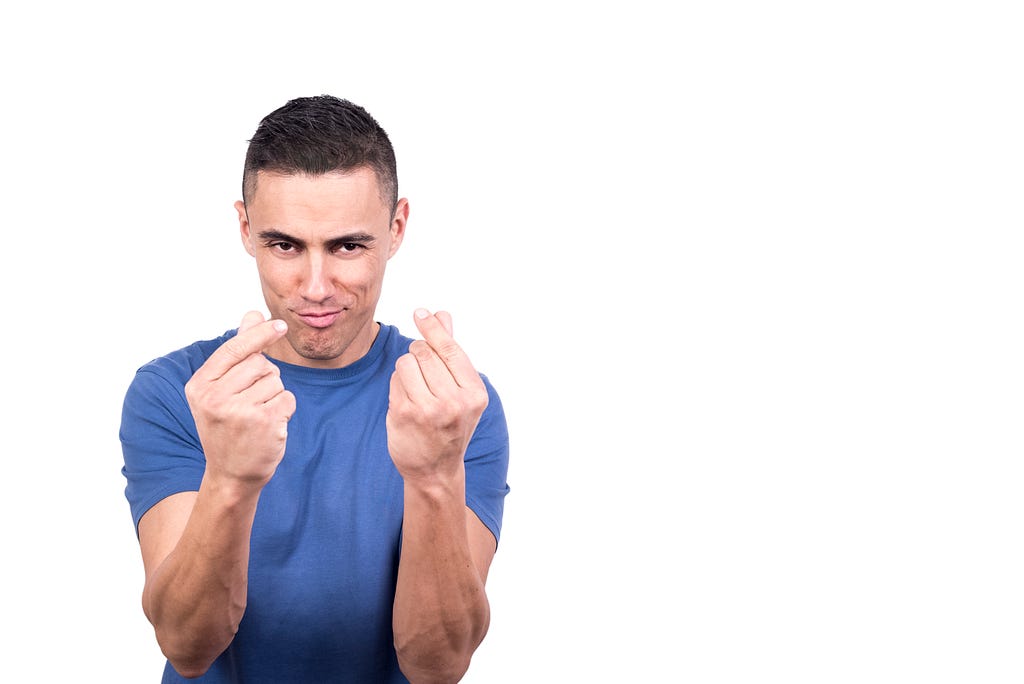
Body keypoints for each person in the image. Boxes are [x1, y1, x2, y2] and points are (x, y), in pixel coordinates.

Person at [119, 95, 511, 683]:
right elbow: (186, 645)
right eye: (285, 246)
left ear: (396, 227)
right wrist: (230, 478)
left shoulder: (452, 402)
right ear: (246, 229)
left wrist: (434, 477)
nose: (316, 286)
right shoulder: (177, 391)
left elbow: (439, 665)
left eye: (347, 246)